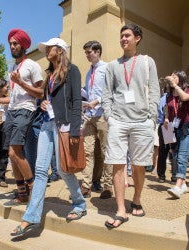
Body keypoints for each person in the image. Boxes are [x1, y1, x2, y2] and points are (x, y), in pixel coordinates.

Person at [11, 37, 86, 237]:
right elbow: (46, 98)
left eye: (49, 48)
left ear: (60, 50)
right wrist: (43, 103)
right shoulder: (49, 74)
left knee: (63, 169)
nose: (46, 51)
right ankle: (31, 217)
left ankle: (79, 202)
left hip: (65, 124)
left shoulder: (73, 71)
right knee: (41, 170)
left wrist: (76, 131)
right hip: (46, 122)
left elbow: (77, 101)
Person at [101, 23, 159, 228]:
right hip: (118, 120)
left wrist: (152, 117)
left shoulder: (146, 61)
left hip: (142, 121)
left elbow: (154, 90)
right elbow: (106, 94)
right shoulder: (112, 66)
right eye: (121, 36)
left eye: (127, 36)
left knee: (139, 165)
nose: (123, 39)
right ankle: (121, 210)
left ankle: (136, 199)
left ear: (137, 38)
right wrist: (109, 116)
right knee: (117, 163)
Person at [3, 28, 44, 206]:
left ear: (23, 45)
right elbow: (13, 95)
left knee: (15, 151)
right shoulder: (12, 67)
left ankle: (34, 190)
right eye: (10, 44)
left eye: (15, 43)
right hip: (11, 111)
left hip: (26, 110)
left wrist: (21, 82)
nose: (12, 47)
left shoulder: (32, 65)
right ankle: (22, 194)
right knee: (11, 155)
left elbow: (40, 93)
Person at [80, 40, 113, 199]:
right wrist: (83, 99)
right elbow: (89, 92)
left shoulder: (107, 68)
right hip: (89, 116)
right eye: (86, 52)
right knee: (87, 151)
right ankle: (86, 186)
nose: (87, 55)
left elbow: (111, 90)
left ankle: (108, 185)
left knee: (105, 152)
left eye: (89, 52)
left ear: (98, 51)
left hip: (103, 115)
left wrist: (97, 101)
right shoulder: (89, 72)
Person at [165, 71, 189, 199]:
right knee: (176, 157)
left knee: (183, 156)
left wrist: (175, 85)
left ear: (181, 79)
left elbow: (184, 98)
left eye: (175, 76)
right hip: (175, 129)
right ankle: (183, 185)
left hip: (187, 129)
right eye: (171, 76)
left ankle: (177, 187)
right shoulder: (169, 95)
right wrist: (166, 118)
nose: (172, 78)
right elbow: (167, 108)